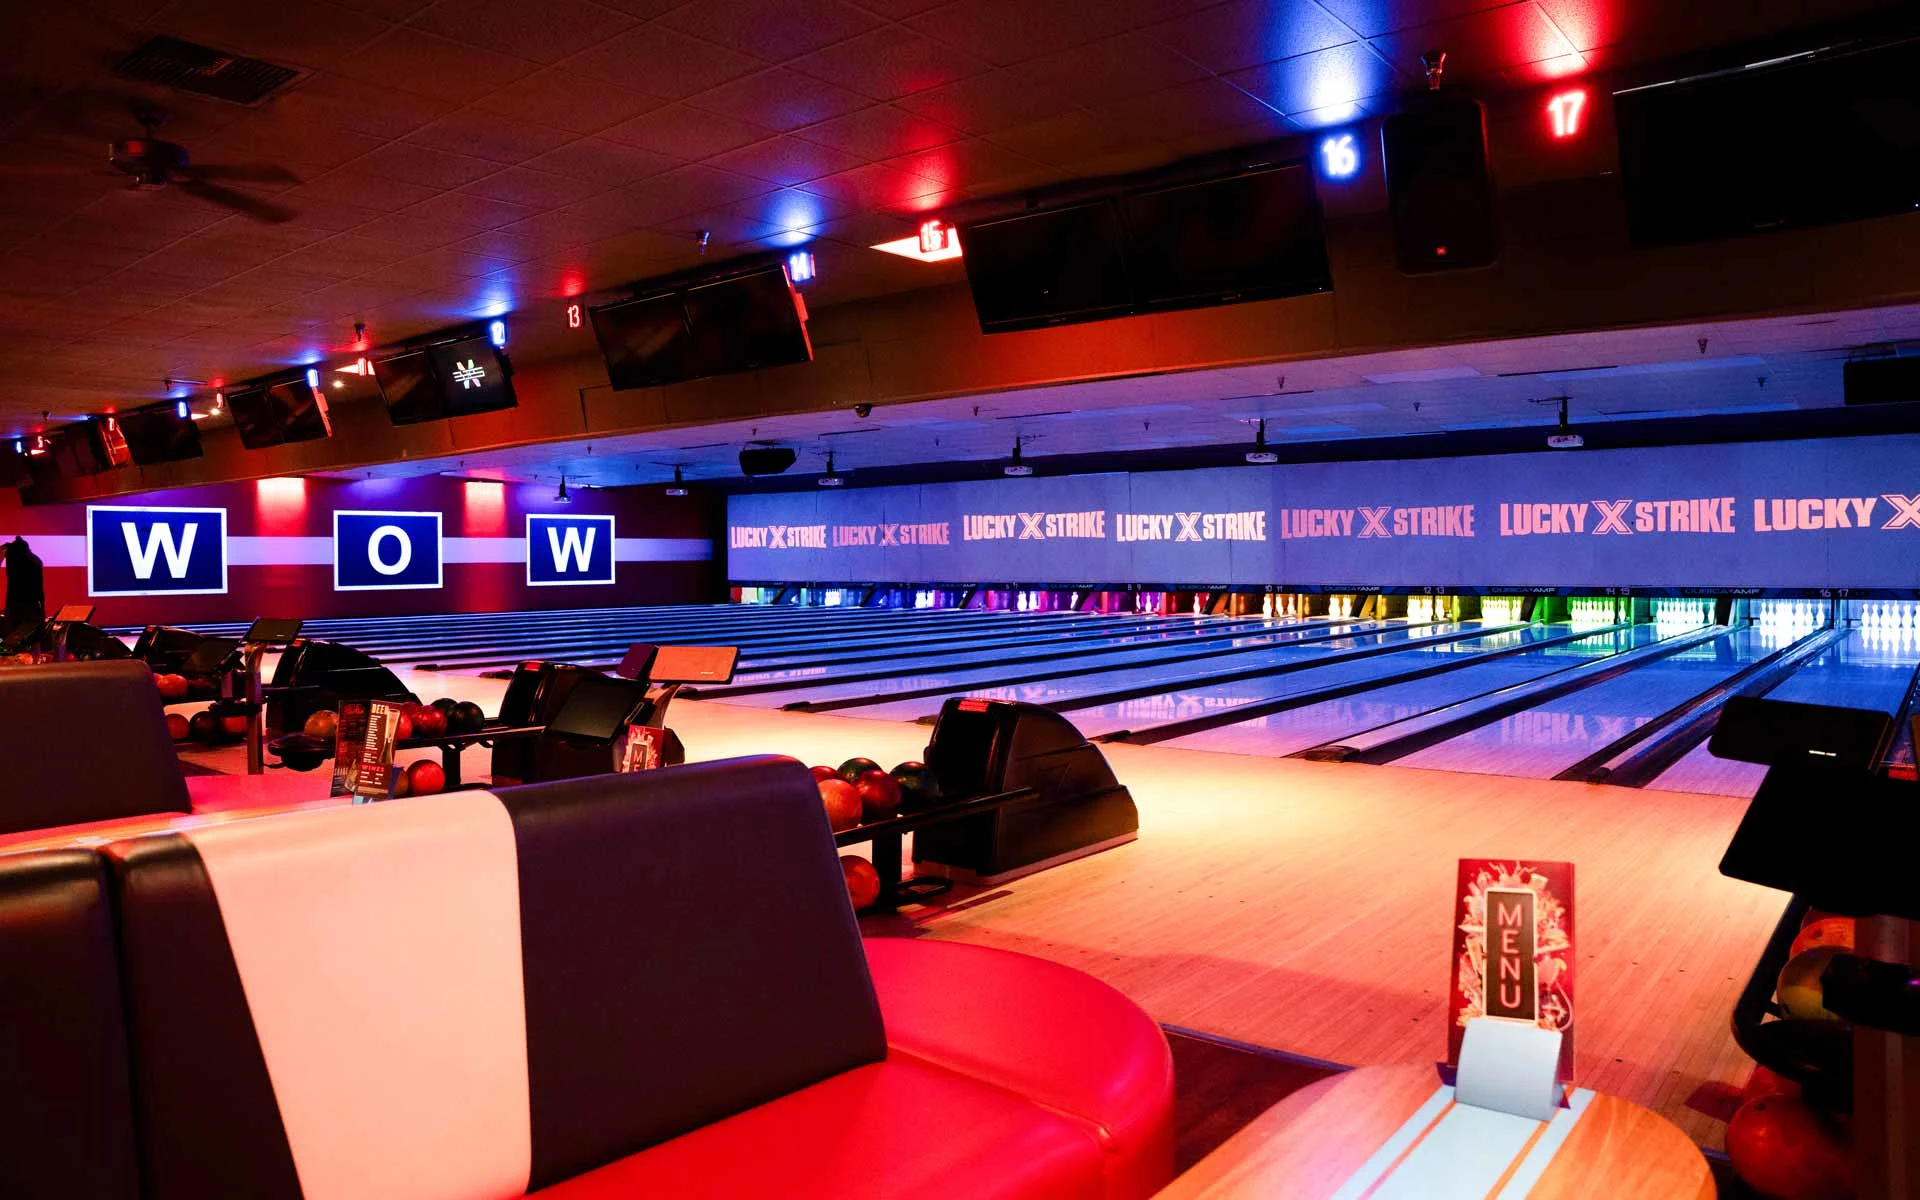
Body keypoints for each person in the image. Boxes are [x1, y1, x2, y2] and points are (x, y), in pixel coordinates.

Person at [3, 536, 45, 628]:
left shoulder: (14, 560)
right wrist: (42, 611)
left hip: (17, 609)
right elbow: (40, 590)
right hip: (32, 608)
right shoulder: (35, 560)